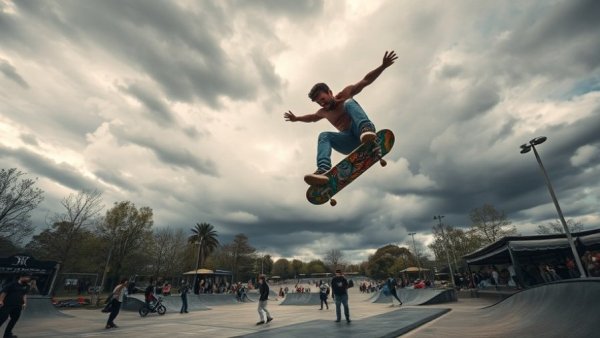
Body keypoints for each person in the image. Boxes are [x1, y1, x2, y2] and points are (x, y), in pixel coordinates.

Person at [284, 50, 398, 185]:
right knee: (324, 135)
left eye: (323, 99)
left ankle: (366, 130)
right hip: (348, 142)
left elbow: (366, 81)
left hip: (362, 131)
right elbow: (311, 118)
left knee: (349, 103)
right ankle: (323, 170)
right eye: (319, 102)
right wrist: (296, 118)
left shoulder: (345, 94)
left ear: (330, 92)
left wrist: (383, 66)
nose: (322, 103)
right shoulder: (323, 112)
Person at [0, 274, 31, 338]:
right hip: (7, 305)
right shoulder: (12, 284)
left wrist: (25, 303)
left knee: (14, 320)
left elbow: (24, 295)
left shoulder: (27, 286)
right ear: (21, 277)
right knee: (2, 319)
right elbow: (4, 292)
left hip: (18, 306)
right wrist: (1, 301)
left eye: (29, 278)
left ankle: (7, 335)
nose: (28, 279)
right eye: (27, 277)